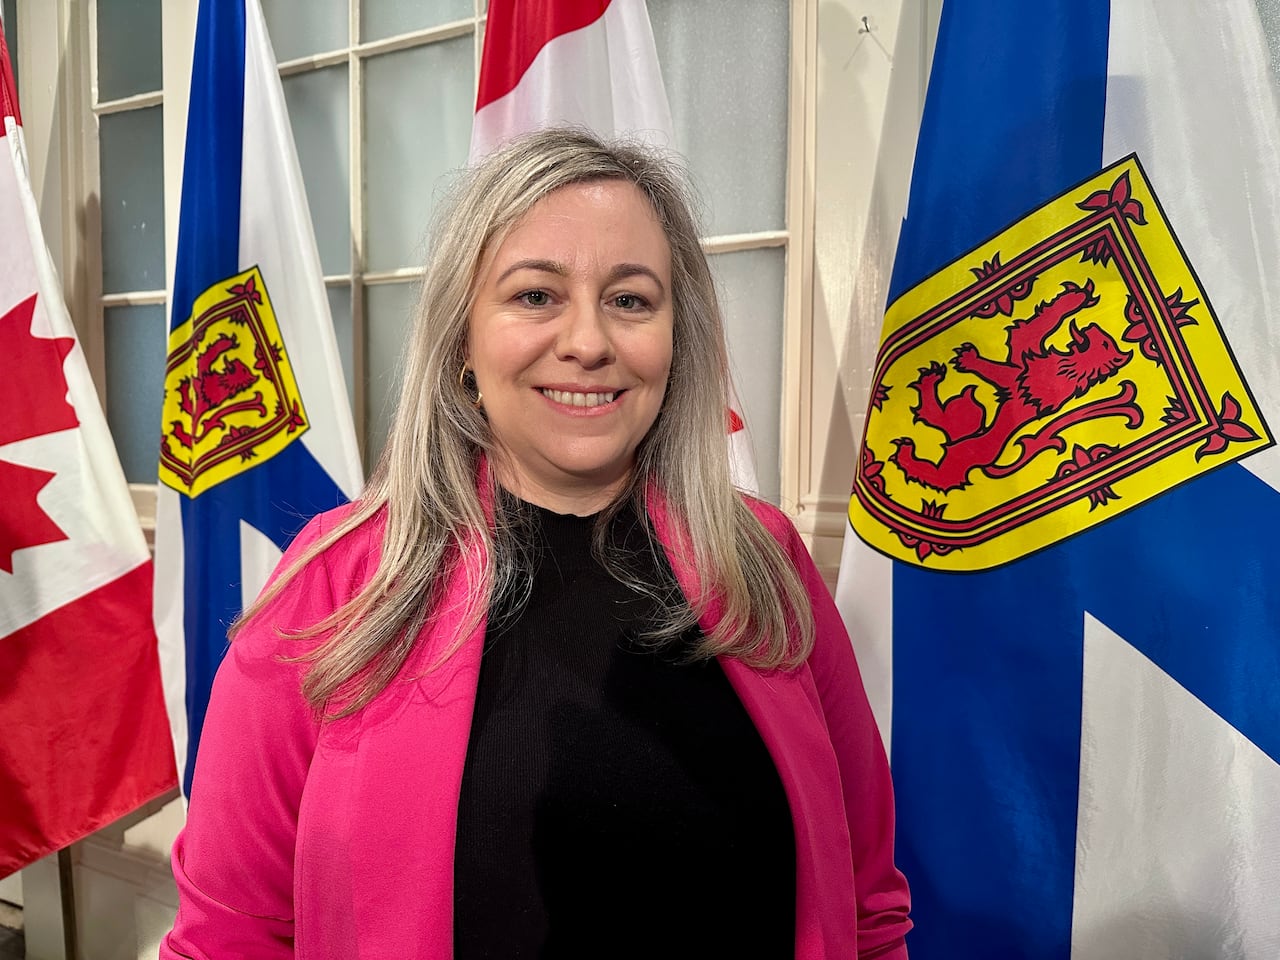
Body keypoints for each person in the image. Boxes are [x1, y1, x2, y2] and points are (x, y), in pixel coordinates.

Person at [160, 128, 912, 959]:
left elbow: (867, 904)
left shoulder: (764, 562)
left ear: (675, 340)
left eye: (631, 300)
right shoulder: (336, 593)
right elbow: (228, 938)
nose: (589, 342)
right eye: (535, 296)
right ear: (461, 348)